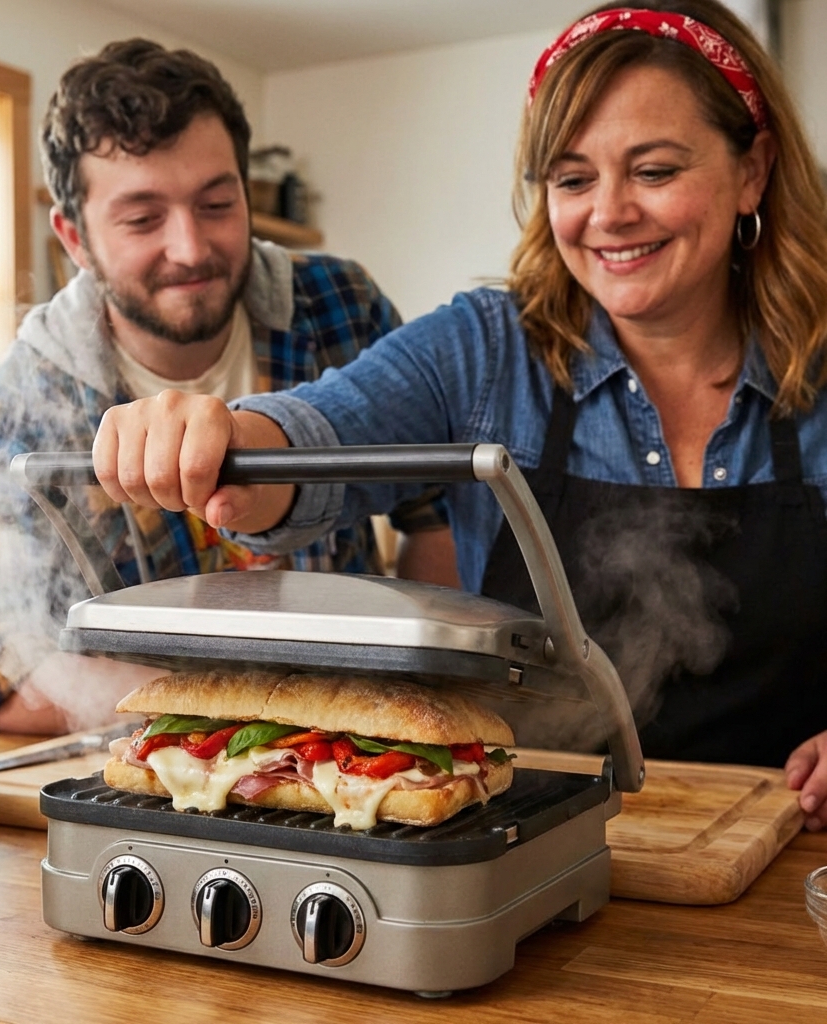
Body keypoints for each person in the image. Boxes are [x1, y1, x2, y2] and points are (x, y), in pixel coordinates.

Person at [90, 0, 827, 830]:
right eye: (573, 179)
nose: (609, 213)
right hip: (518, 832)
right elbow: (315, 434)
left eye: (654, 171)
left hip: (791, 850)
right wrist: (220, 437)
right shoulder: (483, 350)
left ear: (753, 170)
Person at [0, 39, 450, 734]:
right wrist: (261, 713)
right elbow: (1, 672)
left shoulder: (343, 304)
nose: (190, 248)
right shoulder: (19, 402)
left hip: (364, 740)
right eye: (143, 219)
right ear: (75, 238)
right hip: (153, 761)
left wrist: (419, 685)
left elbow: (440, 514)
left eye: (217, 203)